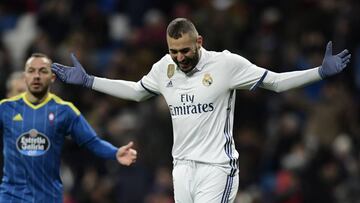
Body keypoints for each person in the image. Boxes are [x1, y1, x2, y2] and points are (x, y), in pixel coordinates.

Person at [51, 18, 351, 203]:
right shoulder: (164, 68)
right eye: (173, 51)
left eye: (185, 50)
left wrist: (319, 73)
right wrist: (90, 81)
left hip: (217, 167)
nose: (179, 58)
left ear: (199, 42)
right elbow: (137, 91)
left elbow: (274, 83)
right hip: (181, 168)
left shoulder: (226, 64)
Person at [0, 53, 137, 202]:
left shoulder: (64, 111)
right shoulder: (5, 109)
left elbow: (91, 141)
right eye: (31, 71)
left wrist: (115, 152)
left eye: (43, 71)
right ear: (25, 77)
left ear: (52, 78)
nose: (37, 76)